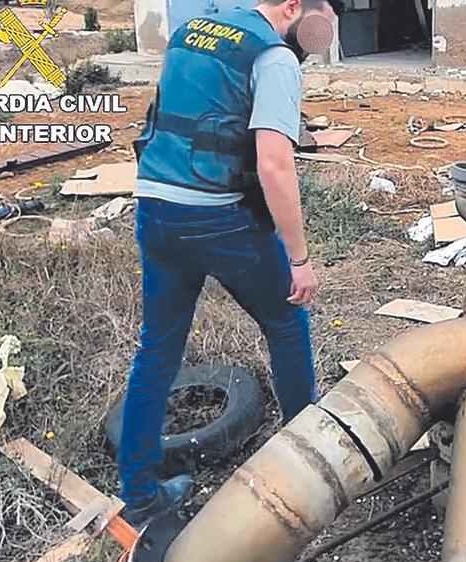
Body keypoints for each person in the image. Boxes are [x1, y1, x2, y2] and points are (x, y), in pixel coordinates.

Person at [119, 0, 340, 527]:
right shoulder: (273, 56)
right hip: (219, 218)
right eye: (324, 11)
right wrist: (299, 258)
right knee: (287, 321)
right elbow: (274, 163)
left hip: (155, 207)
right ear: (294, 9)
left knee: (157, 351)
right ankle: (302, 469)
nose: (327, 22)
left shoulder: (193, 30)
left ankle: (141, 496)